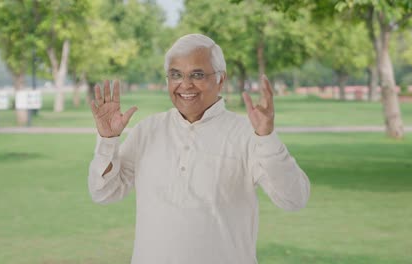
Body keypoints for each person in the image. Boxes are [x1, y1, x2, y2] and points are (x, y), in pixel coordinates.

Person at [88, 33, 310, 264]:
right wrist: (108, 140)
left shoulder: (248, 133)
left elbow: (294, 199)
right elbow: (104, 192)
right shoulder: (147, 130)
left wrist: (268, 138)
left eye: (197, 74)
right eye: (176, 75)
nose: (185, 84)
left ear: (221, 79)